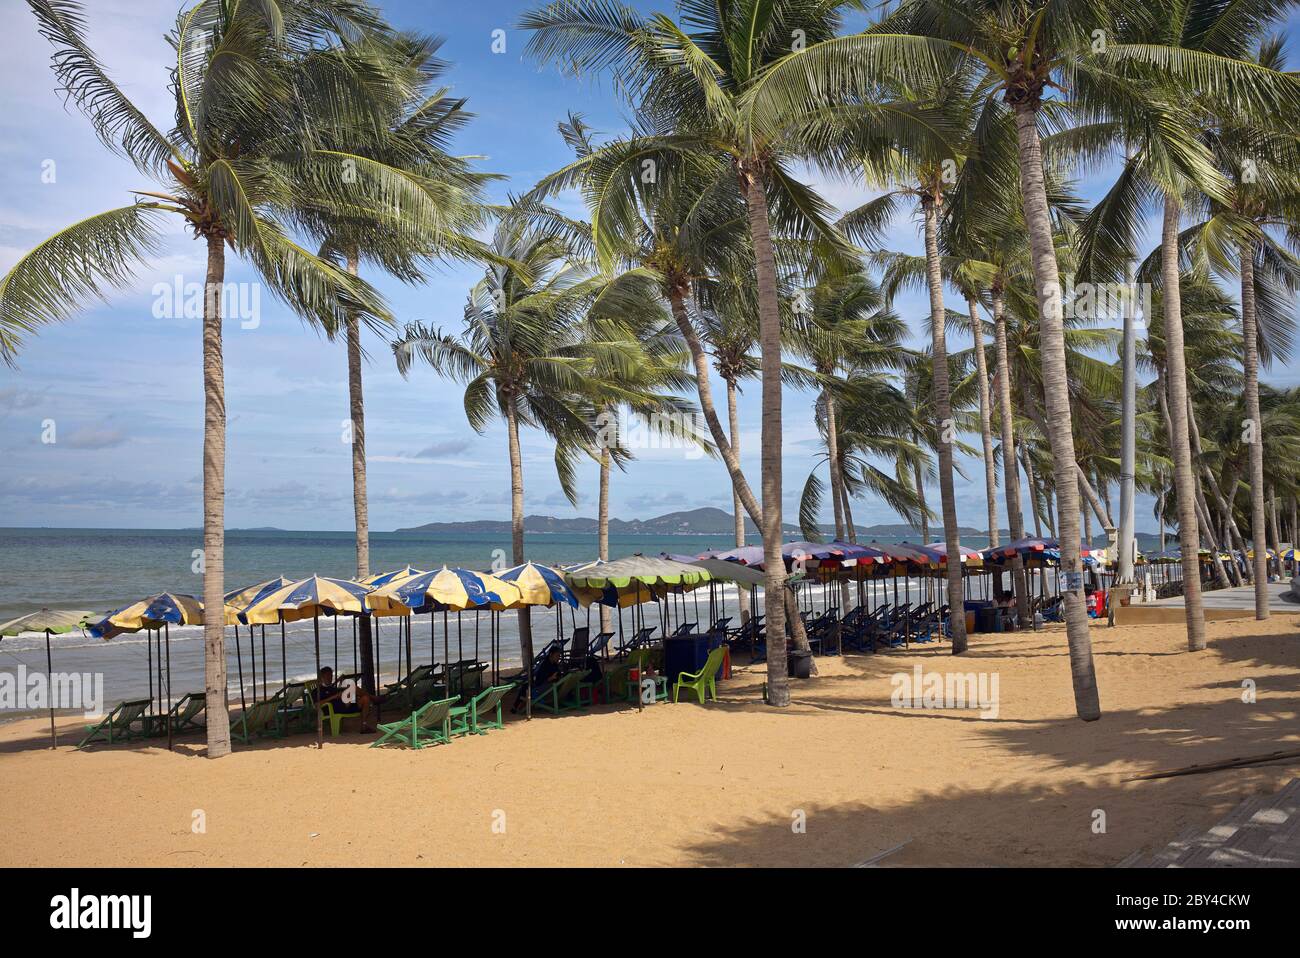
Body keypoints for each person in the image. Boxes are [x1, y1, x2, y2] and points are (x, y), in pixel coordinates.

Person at [315, 666, 380, 732]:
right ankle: (374, 698)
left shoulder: (331, 687)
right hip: (334, 709)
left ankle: (364, 726)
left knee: (365, 699)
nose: (330, 678)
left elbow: (335, 690)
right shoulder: (317, 691)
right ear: (322, 677)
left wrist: (340, 684)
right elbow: (316, 705)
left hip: (345, 705)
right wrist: (334, 696)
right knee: (353, 688)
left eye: (331, 676)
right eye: (327, 676)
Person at [512, 645, 563, 713]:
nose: (558, 658)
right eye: (557, 656)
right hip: (544, 687)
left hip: (543, 689)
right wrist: (551, 678)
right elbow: (541, 679)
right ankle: (516, 707)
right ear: (551, 654)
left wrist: (551, 678)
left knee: (525, 687)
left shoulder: (551, 664)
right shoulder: (546, 665)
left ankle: (515, 707)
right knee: (525, 687)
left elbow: (541, 681)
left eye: (559, 656)